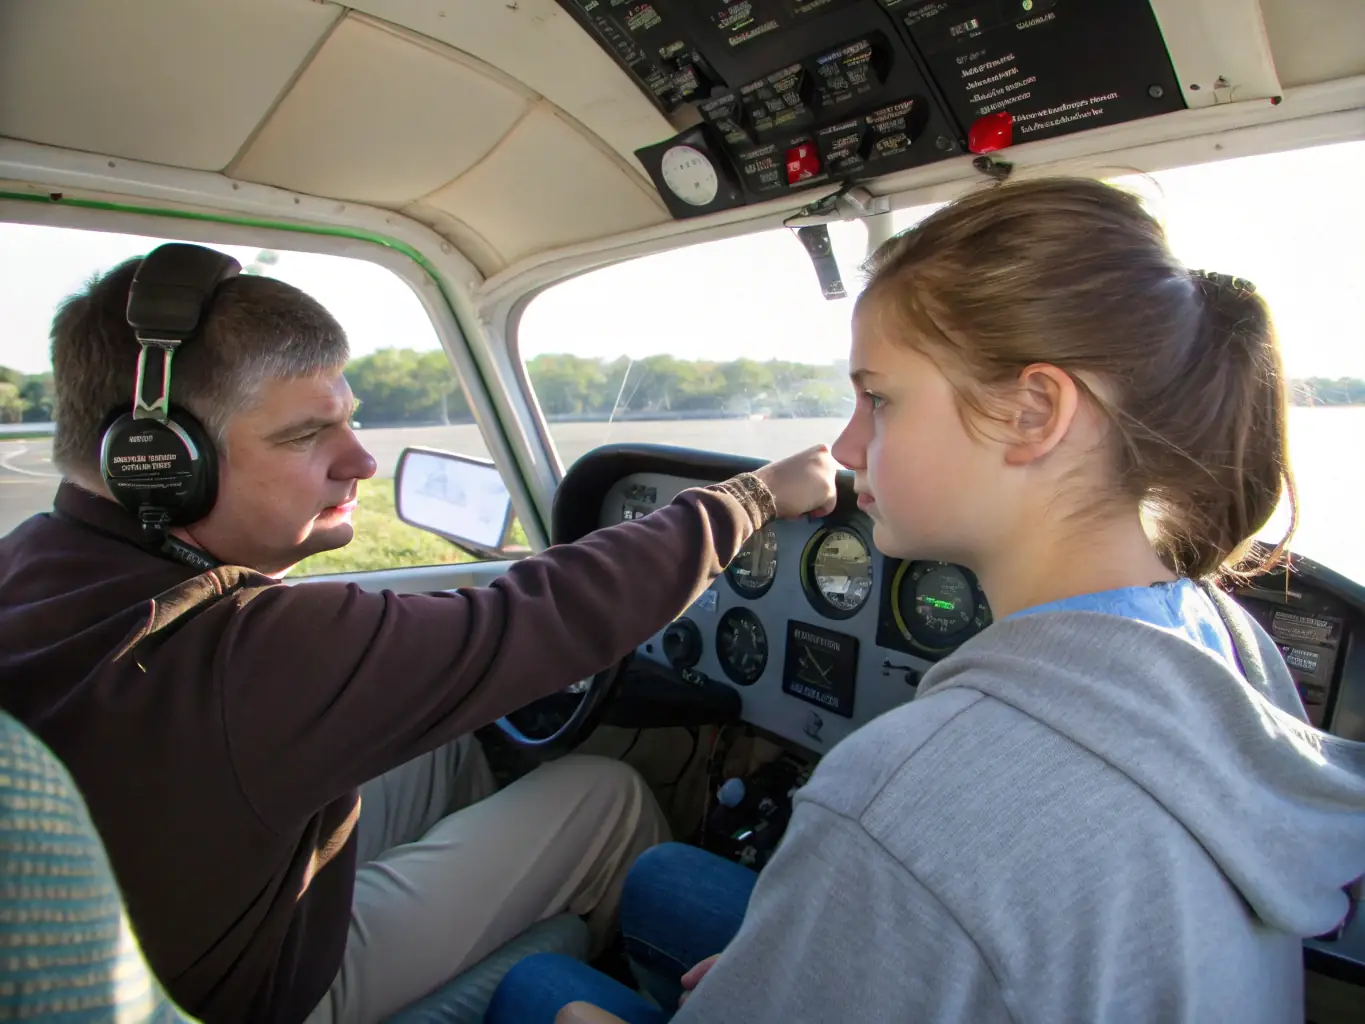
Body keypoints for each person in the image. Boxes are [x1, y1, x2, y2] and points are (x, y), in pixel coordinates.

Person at [484, 176, 1365, 1023]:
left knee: (539, 990)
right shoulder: (1226, 638)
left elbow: (934, 848)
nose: (844, 442)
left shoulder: (899, 791)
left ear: (1032, 414)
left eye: (877, 399)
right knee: (659, 877)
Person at [0, 251, 840, 1024]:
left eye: (349, 419)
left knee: (444, 752)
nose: (361, 460)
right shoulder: (244, 648)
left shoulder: (31, 563)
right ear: (157, 461)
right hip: (261, 994)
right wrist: (754, 498)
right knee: (602, 795)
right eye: (305, 434)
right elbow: (542, 616)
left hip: (166, 918)